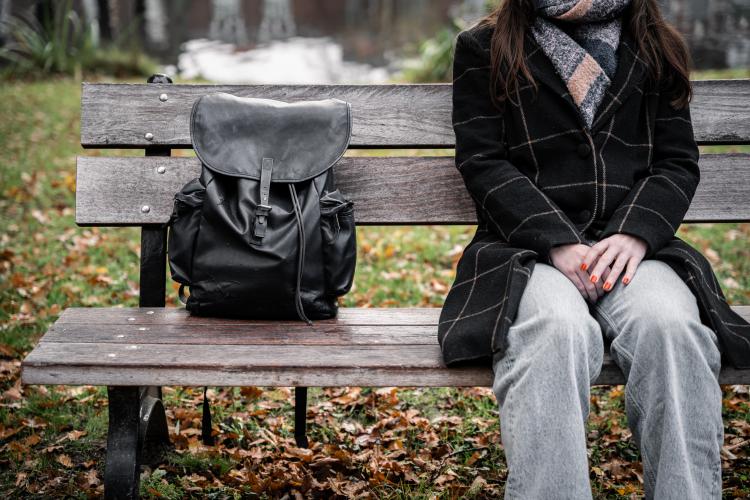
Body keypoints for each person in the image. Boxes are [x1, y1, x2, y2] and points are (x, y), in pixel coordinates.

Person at [437, 0, 750, 498]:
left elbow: (676, 163)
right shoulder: (485, 47)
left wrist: (634, 232)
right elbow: (483, 161)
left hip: (632, 250)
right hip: (528, 250)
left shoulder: (655, 46)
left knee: (671, 328)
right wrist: (556, 240)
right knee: (553, 330)